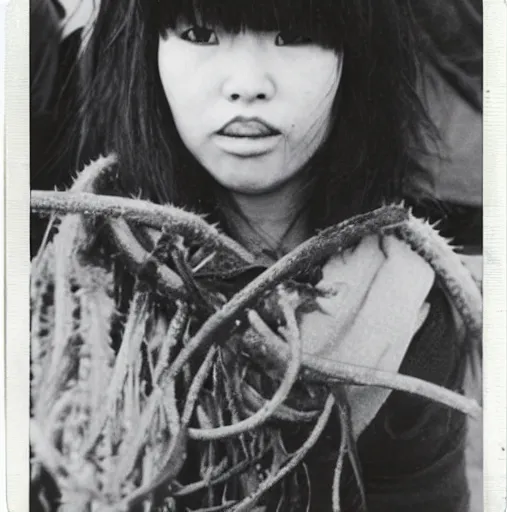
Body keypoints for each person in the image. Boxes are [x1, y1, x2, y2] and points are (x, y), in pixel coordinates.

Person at [30, 1, 481, 511]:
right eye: (200, 34)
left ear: (356, 57)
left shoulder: (410, 312)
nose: (247, 83)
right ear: (144, 54)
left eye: (292, 37)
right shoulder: (71, 274)